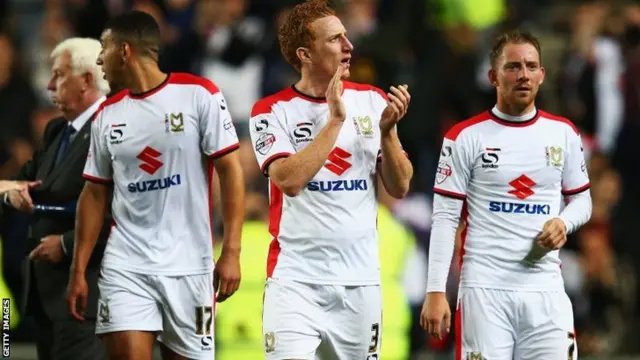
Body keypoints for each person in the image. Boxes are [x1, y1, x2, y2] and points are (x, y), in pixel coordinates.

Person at [66, 11, 245, 360]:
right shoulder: (108, 115)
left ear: (125, 50)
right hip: (126, 266)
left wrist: (232, 252)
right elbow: (95, 192)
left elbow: (230, 171)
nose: (99, 59)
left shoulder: (199, 94)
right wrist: (79, 270)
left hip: (191, 268)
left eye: (104, 48)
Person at [248, 1, 413, 358]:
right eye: (336, 39)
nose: (349, 46)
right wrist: (334, 121)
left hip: (360, 283)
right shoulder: (272, 110)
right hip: (295, 282)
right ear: (305, 54)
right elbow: (288, 180)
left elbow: (400, 186)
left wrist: (388, 133)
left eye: (347, 37)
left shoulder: (371, 100)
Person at [421, 30, 592, 360]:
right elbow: (444, 218)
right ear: (492, 77)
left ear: (542, 75)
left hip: (545, 291)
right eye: (513, 67)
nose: (523, 75)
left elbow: (582, 200)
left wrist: (563, 222)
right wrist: (435, 290)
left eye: (531, 66)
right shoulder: (465, 137)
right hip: (485, 291)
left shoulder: (563, 134)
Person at [2, 37, 110, 359]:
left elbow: (123, 213)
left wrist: (65, 244)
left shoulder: (114, 128)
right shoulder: (55, 130)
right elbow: (20, 180)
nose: (49, 84)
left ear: (87, 80)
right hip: (45, 298)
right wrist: (12, 196)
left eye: (59, 75)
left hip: (87, 297)